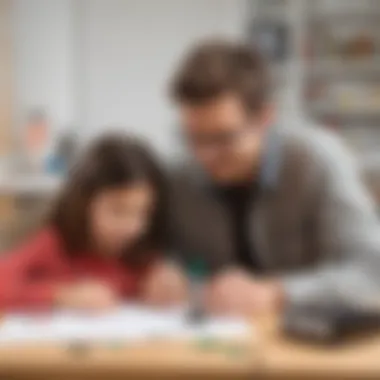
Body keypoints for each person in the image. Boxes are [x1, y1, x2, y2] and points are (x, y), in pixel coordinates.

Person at [151, 39, 380, 317]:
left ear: (265, 118)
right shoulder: (178, 175)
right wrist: (163, 273)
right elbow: (157, 256)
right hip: (213, 346)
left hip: (309, 346)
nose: (204, 156)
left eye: (223, 138)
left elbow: (372, 272)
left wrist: (279, 292)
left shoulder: (318, 161)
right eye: (193, 138)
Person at [0, 133, 186, 312]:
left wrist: (168, 284)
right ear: (84, 204)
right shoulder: (55, 243)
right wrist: (61, 296)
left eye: (143, 213)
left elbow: (172, 288)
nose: (132, 226)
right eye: (118, 211)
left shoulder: (144, 252)